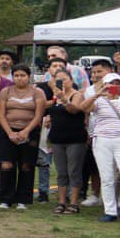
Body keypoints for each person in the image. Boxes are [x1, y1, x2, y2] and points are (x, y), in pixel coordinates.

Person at [71, 70, 120, 221]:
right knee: (106, 177)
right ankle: (110, 211)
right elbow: (84, 108)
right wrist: (98, 94)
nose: (114, 86)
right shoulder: (98, 100)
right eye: (111, 83)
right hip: (102, 140)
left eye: (117, 83)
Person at [0, 64, 46, 210]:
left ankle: (23, 199)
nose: (19, 78)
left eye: (22, 75)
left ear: (28, 77)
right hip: (8, 130)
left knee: (26, 165)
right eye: (16, 75)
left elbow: (38, 115)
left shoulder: (37, 92)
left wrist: (26, 131)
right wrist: (10, 132)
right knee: (6, 164)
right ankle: (6, 199)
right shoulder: (6, 92)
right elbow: (1, 114)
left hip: (30, 131)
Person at [42, 62, 87, 215]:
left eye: (64, 80)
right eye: (57, 80)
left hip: (75, 138)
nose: (61, 83)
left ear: (71, 80)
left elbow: (74, 110)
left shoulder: (77, 94)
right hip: (57, 138)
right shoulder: (55, 97)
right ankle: (61, 201)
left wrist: (64, 99)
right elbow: (54, 113)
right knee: (61, 172)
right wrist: (49, 117)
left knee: (73, 171)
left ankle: (74, 202)